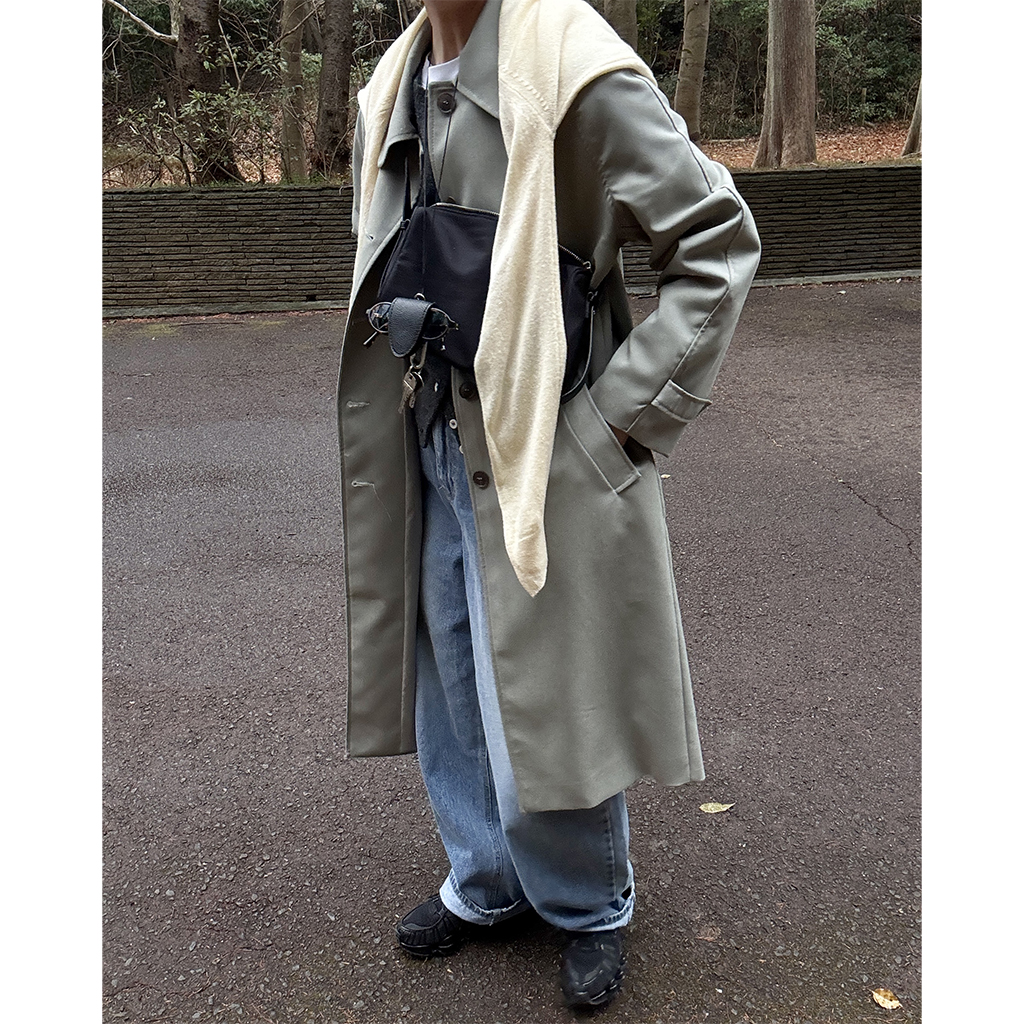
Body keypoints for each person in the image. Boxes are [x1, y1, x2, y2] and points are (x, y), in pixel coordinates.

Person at [335, 0, 760, 1009]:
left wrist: (617, 423)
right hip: (427, 429)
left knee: (542, 678)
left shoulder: (577, 68)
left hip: (542, 438)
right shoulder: (392, 83)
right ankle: (485, 879)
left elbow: (715, 242)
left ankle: (586, 903)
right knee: (450, 668)